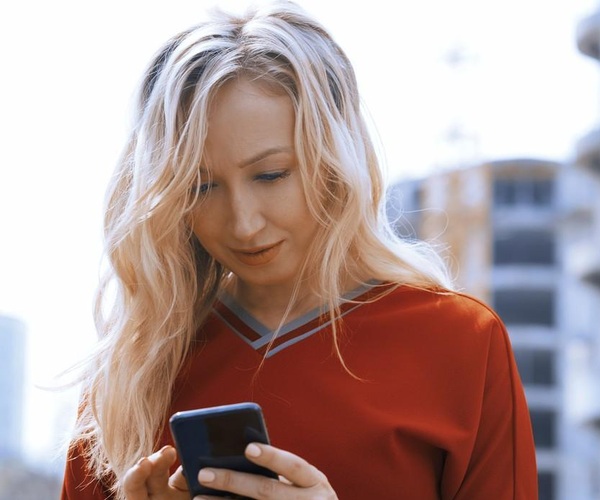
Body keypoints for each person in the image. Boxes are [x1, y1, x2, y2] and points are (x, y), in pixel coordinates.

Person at [60, 1, 537, 499]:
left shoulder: (460, 342)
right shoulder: (129, 374)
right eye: (200, 187)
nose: (244, 224)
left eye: (271, 175)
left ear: (334, 158)